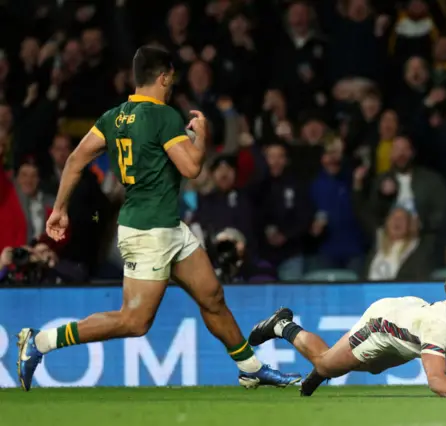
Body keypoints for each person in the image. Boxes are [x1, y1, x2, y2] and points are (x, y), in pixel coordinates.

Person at [16, 46, 302, 391]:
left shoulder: (114, 117)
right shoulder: (163, 116)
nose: (172, 85)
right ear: (164, 77)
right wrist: (202, 137)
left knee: (211, 295)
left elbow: (75, 159)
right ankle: (41, 341)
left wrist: (59, 208)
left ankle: (250, 367)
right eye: (172, 79)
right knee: (134, 322)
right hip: (147, 232)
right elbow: (192, 168)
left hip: (168, 227)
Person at [249, 266, 446, 398]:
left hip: (408, 327)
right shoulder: (439, 327)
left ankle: (323, 370)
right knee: (325, 363)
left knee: (372, 369)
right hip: (382, 323)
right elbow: (437, 381)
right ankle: (282, 325)